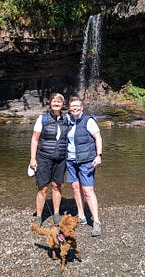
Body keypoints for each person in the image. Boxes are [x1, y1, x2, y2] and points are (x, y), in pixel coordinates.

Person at [30, 93, 69, 226]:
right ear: (50, 103)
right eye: (54, 101)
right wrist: (32, 158)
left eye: (59, 102)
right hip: (44, 157)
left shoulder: (67, 119)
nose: (56, 104)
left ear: (63, 104)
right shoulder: (43, 119)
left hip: (61, 158)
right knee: (43, 188)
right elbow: (35, 139)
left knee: (56, 186)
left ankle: (56, 213)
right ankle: (39, 216)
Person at [66, 96, 103, 237]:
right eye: (72, 106)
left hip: (86, 161)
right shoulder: (68, 120)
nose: (74, 108)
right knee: (75, 188)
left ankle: (96, 221)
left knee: (88, 191)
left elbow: (98, 138)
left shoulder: (89, 121)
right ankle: (81, 215)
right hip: (71, 160)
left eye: (77, 106)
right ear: (69, 108)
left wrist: (98, 155)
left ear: (82, 107)